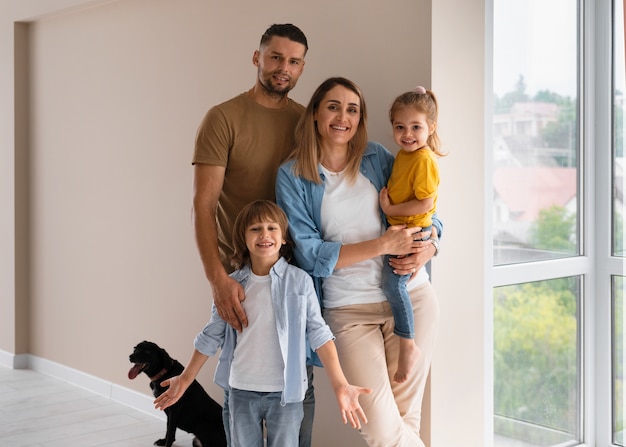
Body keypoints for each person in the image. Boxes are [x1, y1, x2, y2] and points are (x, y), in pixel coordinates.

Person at [275, 77, 441, 447]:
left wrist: (432, 244)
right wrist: (382, 244)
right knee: (383, 432)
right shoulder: (292, 175)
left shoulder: (379, 157)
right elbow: (310, 253)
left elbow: (426, 210)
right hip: (349, 311)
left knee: (405, 423)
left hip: (412, 299)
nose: (343, 117)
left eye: (353, 109)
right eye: (333, 106)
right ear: (316, 112)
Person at [154, 200, 371, 447]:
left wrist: (340, 384)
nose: (264, 234)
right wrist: (185, 378)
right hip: (241, 391)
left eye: (272, 228)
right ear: (243, 238)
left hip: (286, 396)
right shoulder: (231, 285)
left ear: (284, 237)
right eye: (255, 228)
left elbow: (319, 334)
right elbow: (211, 335)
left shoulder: (299, 282)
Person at [190, 23, 315, 446]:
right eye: (276, 57)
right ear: (257, 57)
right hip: (238, 276)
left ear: (301, 68)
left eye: (294, 61)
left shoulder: (305, 123)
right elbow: (203, 206)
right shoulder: (223, 117)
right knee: (240, 384)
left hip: (294, 272)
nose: (284, 68)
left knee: (298, 386)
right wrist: (217, 280)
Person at [378, 86, 446, 384]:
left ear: (430, 128)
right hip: (404, 229)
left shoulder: (423, 159)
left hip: (413, 232)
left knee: (394, 286)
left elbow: (427, 203)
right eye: (400, 127)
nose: (408, 134)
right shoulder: (405, 154)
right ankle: (406, 343)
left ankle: (408, 344)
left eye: (416, 127)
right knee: (392, 284)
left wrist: (390, 206)